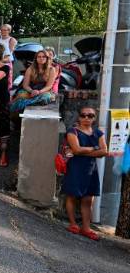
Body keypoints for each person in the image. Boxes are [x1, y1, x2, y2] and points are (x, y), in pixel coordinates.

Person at [62, 107, 107, 241]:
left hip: (90, 170)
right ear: (79, 117)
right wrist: (94, 148)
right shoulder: (73, 131)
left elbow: (104, 151)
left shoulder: (98, 133)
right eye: (84, 115)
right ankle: (73, 224)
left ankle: (86, 228)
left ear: (94, 118)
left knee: (88, 199)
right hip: (75, 167)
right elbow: (76, 150)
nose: (87, 118)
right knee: (72, 196)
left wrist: (84, 151)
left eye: (90, 115)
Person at [10, 50, 57, 115]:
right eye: (39, 57)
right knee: (21, 94)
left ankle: (23, 104)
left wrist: (39, 92)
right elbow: (25, 85)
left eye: (43, 57)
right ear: (36, 58)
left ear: (47, 58)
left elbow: (49, 86)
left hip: (44, 91)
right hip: (30, 90)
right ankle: (31, 103)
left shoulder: (52, 69)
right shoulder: (30, 69)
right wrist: (32, 91)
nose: (41, 58)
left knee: (46, 97)